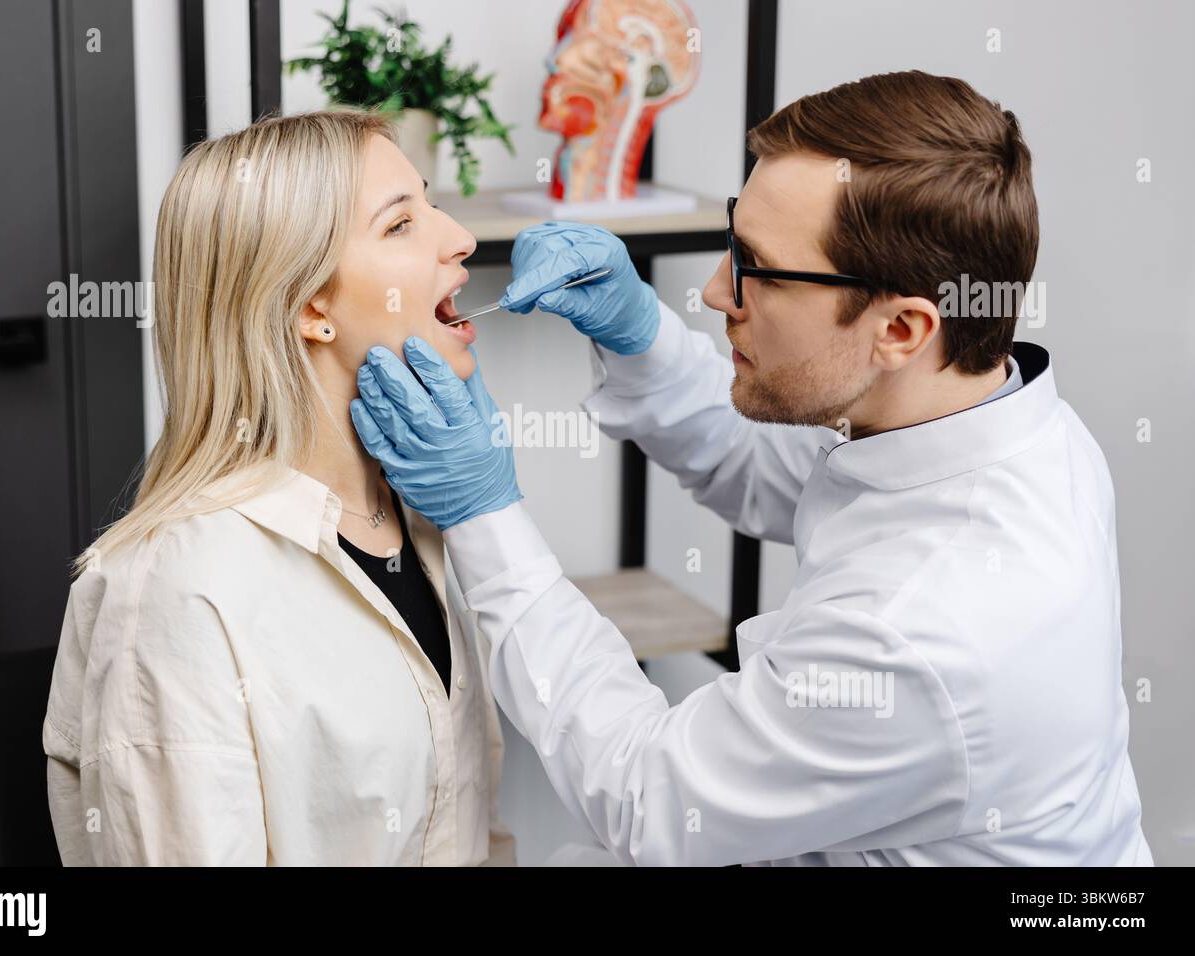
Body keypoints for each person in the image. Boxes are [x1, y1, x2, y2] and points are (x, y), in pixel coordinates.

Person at [350, 71, 1153, 866]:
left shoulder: (928, 631)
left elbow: (649, 798)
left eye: (757, 268)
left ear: (902, 330)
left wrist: (482, 516)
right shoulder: (984, 413)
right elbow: (770, 469)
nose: (710, 290)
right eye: (734, 238)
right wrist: (639, 337)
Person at [43, 109, 515, 865]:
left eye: (429, 203)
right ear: (309, 307)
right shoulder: (175, 591)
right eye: (400, 225)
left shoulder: (415, 516)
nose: (459, 236)